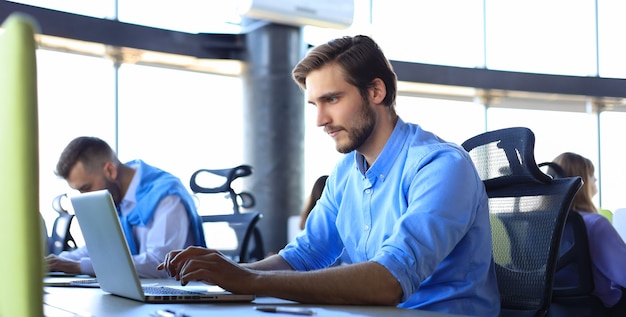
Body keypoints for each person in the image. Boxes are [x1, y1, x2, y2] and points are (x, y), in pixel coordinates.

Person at [157, 35, 500, 316]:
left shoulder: (440, 166)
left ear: (376, 92)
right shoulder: (345, 173)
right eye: (314, 105)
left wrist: (249, 280)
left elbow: (388, 282)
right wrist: (224, 275)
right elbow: (301, 258)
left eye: (332, 99)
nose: (320, 120)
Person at [45, 136, 206, 278]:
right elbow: (99, 249)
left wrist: (79, 266)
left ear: (110, 170)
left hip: (177, 298)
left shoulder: (167, 197)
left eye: (86, 188)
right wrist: (57, 261)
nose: (85, 196)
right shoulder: (117, 197)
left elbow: (161, 263)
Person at [548, 152, 626, 316]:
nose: (595, 180)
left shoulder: (541, 225)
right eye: (591, 175)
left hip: (554, 307)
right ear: (581, 181)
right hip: (601, 307)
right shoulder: (594, 224)